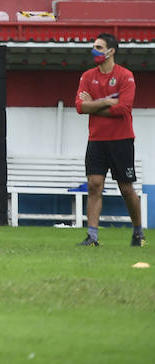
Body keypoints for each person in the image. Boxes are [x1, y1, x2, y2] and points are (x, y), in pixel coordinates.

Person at [74, 33, 144, 247]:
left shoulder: (125, 76)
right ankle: (92, 236)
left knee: (126, 189)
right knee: (94, 185)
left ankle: (138, 232)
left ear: (111, 51)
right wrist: (104, 102)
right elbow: (79, 106)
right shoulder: (87, 76)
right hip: (96, 140)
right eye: (93, 46)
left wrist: (92, 106)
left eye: (98, 47)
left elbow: (123, 108)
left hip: (121, 140)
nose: (94, 50)